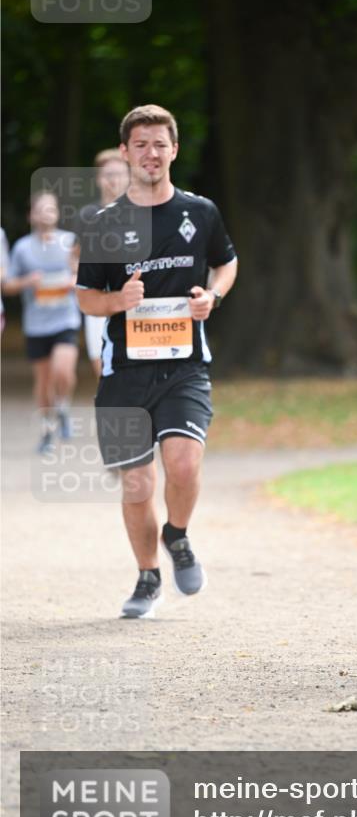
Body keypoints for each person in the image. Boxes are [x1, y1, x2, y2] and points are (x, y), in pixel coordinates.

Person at [75, 104, 238, 619]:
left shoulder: (200, 211)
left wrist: (211, 296)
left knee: (184, 463)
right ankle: (147, 578)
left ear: (175, 150)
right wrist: (117, 301)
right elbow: (85, 298)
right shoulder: (103, 222)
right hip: (123, 372)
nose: (151, 153)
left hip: (184, 364)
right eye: (141, 144)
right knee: (138, 483)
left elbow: (227, 262)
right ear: (125, 153)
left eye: (160, 144)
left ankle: (178, 535)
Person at [3, 192, 80, 453]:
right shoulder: (23, 247)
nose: (46, 214)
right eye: (40, 209)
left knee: (63, 371)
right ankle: (48, 429)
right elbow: (8, 285)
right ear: (31, 215)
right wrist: (28, 282)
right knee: (44, 380)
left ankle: (64, 406)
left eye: (51, 209)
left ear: (58, 213)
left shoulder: (70, 242)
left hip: (65, 319)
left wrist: (74, 281)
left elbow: (84, 273)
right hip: (36, 324)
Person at [74, 149, 130, 378]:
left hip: (133, 297)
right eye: (108, 175)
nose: (113, 180)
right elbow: (75, 256)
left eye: (119, 174)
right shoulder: (87, 215)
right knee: (102, 364)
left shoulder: (141, 212)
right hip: (98, 297)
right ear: (98, 178)